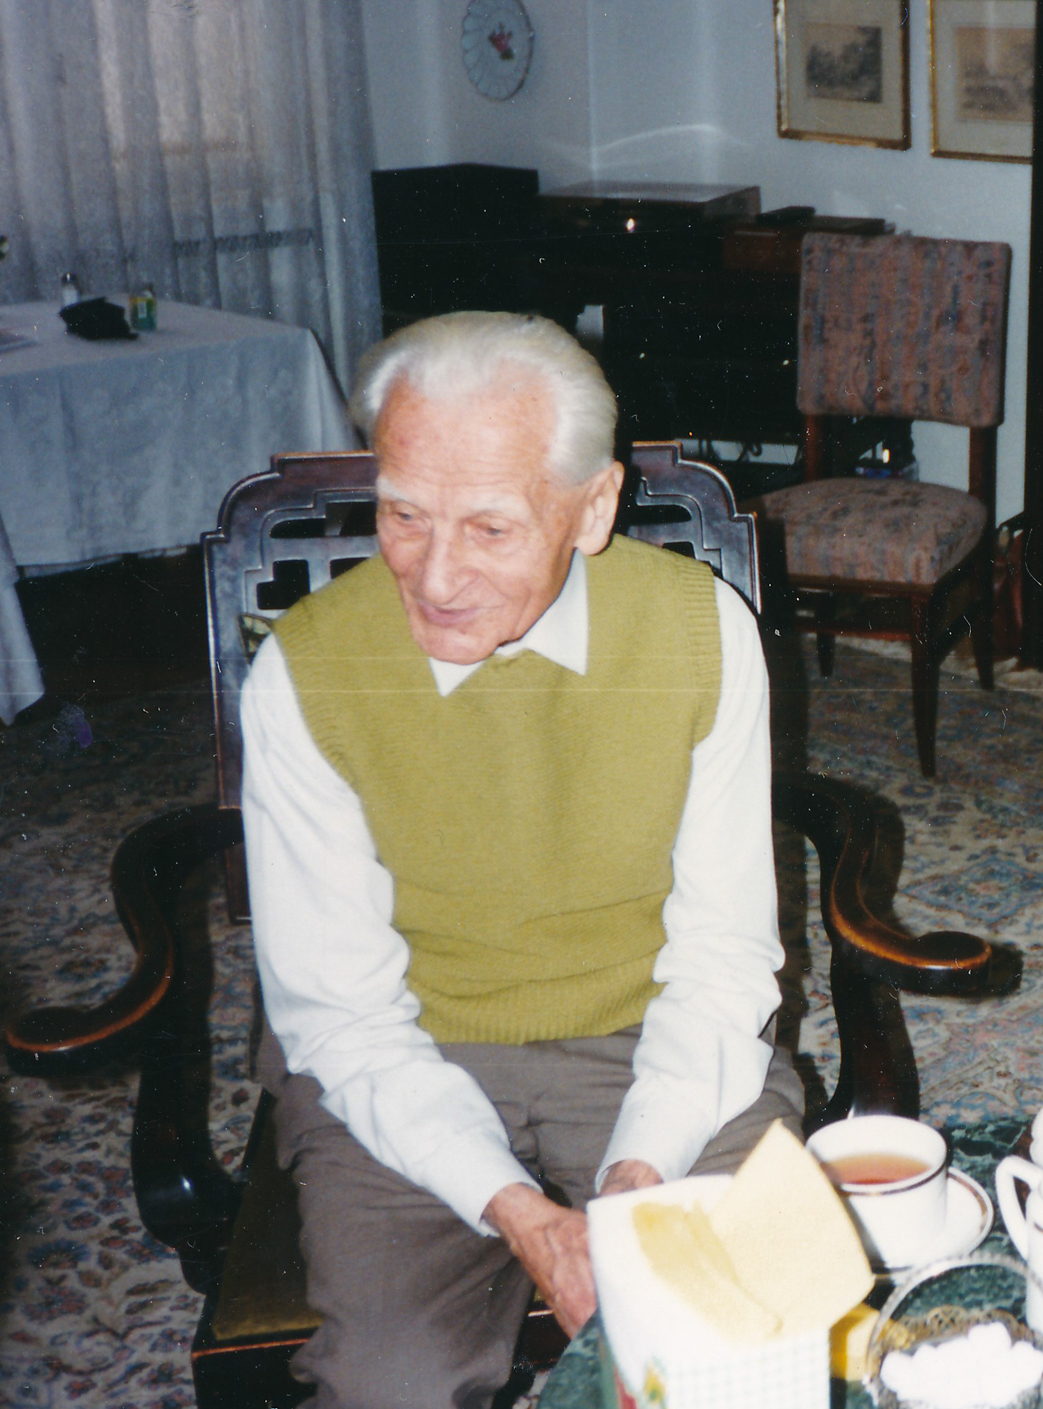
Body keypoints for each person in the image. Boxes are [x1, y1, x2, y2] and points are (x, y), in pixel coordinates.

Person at [241, 311, 800, 1409]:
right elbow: (342, 1014)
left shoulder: (699, 632)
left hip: (652, 1030)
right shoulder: (309, 673)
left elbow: (723, 952)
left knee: (748, 1344)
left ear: (592, 507)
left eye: (489, 528)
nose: (434, 574)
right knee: (387, 1385)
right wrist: (523, 1214)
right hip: (408, 1047)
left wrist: (638, 1174)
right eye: (402, 513)